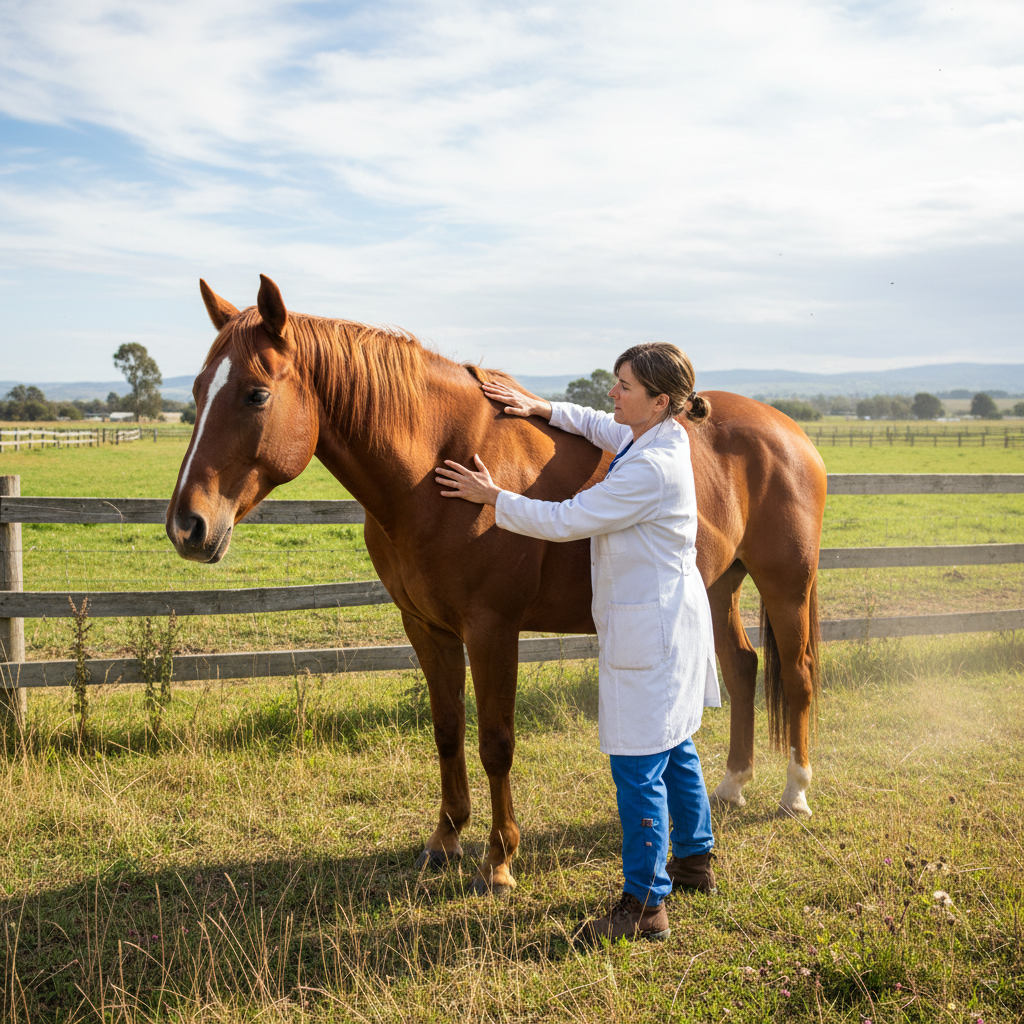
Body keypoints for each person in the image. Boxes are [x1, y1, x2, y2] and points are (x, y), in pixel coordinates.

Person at [434, 342, 720, 944]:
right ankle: (695, 859)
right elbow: (595, 423)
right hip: (674, 615)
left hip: (653, 627)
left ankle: (645, 905)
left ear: (659, 401)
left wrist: (492, 499)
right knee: (676, 740)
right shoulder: (657, 437)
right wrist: (538, 407)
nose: (611, 394)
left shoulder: (650, 467)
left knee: (639, 759)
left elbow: (567, 519)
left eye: (623, 387)